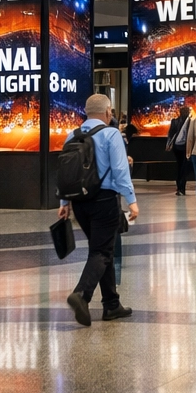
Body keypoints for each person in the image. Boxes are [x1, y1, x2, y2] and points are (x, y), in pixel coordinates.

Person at [58, 94, 138, 326]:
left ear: (85, 112)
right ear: (108, 112)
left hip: (80, 203)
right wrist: (131, 200)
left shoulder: (71, 135)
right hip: (104, 200)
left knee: (103, 250)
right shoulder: (111, 133)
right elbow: (120, 170)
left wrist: (64, 204)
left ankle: (112, 304)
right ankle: (81, 294)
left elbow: (65, 172)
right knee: (102, 252)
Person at [167, 104, 191, 196]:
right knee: (184, 168)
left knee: (179, 166)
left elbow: (170, 134)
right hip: (186, 147)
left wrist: (168, 144)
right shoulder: (190, 122)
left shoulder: (174, 121)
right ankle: (182, 188)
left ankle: (179, 186)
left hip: (176, 147)